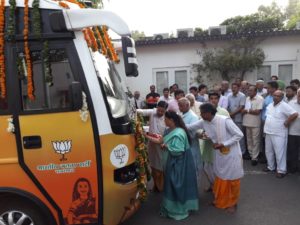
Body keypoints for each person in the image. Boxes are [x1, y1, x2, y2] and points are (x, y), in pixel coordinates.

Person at [188, 103, 244, 214]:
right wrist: (175, 124)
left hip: (231, 154)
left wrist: (224, 144)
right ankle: (220, 200)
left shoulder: (224, 120)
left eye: (202, 113)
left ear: (208, 113)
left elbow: (239, 134)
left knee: (232, 178)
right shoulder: (204, 122)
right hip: (219, 154)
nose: (201, 115)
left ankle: (233, 203)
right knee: (220, 177)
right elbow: (190, 127)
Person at [146, 111, 199, 220]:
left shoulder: (178, 133)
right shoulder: (170, 130)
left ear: (172, 120)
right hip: (172, 163)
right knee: (172, 185)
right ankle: (171, 207)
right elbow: (163, 141)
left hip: (178, 165)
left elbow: (178, 151)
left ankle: (177, 210)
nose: (164, 121)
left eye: (166, 119)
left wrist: (165, 146)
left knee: (175, 185)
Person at [263, 90, 298, 178]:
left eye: (278, 96)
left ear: (282, 97)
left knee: (280, 152)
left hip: (279, 133)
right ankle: (271, 167)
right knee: (269, 151)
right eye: (274, 95)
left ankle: (281, 170)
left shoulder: (284, 105)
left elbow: (295, 114)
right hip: (268, 131)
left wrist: (287, 121)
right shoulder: (270, 105)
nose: (275, 97)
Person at [200, 92, 230, 192]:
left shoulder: (224, 112)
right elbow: (201, 125)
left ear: (219, 100)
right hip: (208, 144)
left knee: (218, 168)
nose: (213, 100)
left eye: (215, 98)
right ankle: (212, 184)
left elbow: (228, 128)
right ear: (209, 100)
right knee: (207, 167)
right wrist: (203, 133)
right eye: (211, 98)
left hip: (219, 145)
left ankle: (218, 188)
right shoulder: (204, 111)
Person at [137, 101, 168, 192]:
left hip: (161, 144)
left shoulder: (167, 117)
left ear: (165, 110)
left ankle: (161, 186)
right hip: (151, 144)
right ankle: (156, 185)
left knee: (161, 165)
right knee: (152, 164)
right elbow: (140, 111)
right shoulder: (152, 112)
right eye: (159, 110)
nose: (160, 113)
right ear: (156, 107)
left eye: (162, 111)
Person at [178, 97, 202, 192]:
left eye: (181, 106)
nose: (179, 108)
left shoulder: (193, 117)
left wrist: (179, 132)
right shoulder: (181, 114)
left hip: (191, 147)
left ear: (187, 105)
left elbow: (193, 134)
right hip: (184, 147)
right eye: (178, 105)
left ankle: (193, 193)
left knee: (193, 170)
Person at [242, 86, 264, 166]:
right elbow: (244, 110)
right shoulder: (247, 98)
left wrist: (247, 110)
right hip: (247, 122)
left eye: (251, 90)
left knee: (255, 141)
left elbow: (257, 112)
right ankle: (251, 155)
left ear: (255, 92)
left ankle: (255, 157)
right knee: (249, 140)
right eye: (248, 90)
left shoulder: (260, 98)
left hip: (255, 123)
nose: (249, 92)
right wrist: (246, 111)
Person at [227, 83, 247, 156]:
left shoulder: (242, 96)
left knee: (240, 135)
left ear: (239, 88)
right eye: (232, 88)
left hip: (239, 118)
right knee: (232, 135)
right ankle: (233, 151)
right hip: (230, 118)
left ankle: (242, 152)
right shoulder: (229, 95)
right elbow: (227, 106)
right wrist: (229, 114)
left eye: (235, 87)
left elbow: (241, 107)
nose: (233, 89)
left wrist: (232, 114)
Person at [287, 88, 300, 173]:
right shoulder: (291, 103)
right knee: (293, 150)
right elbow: (286, 115)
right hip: (293, 132)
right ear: (297, 95)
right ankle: (293, 167)